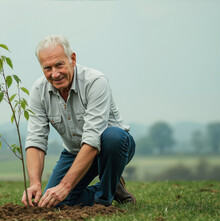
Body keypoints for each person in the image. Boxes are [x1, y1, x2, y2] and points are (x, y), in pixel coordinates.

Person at [21, 35, 136, 208]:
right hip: (74, 152)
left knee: (113, 137)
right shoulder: (38, 91)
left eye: (59, 64)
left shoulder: (95, 82)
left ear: (72, 59)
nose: (55, 73)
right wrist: (35, 183)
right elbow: (36, 139)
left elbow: (92, 138)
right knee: (54, 202)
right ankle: (112, 185)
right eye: (47, 68)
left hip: (113, 148)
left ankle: (103, 201)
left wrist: (65, 186)